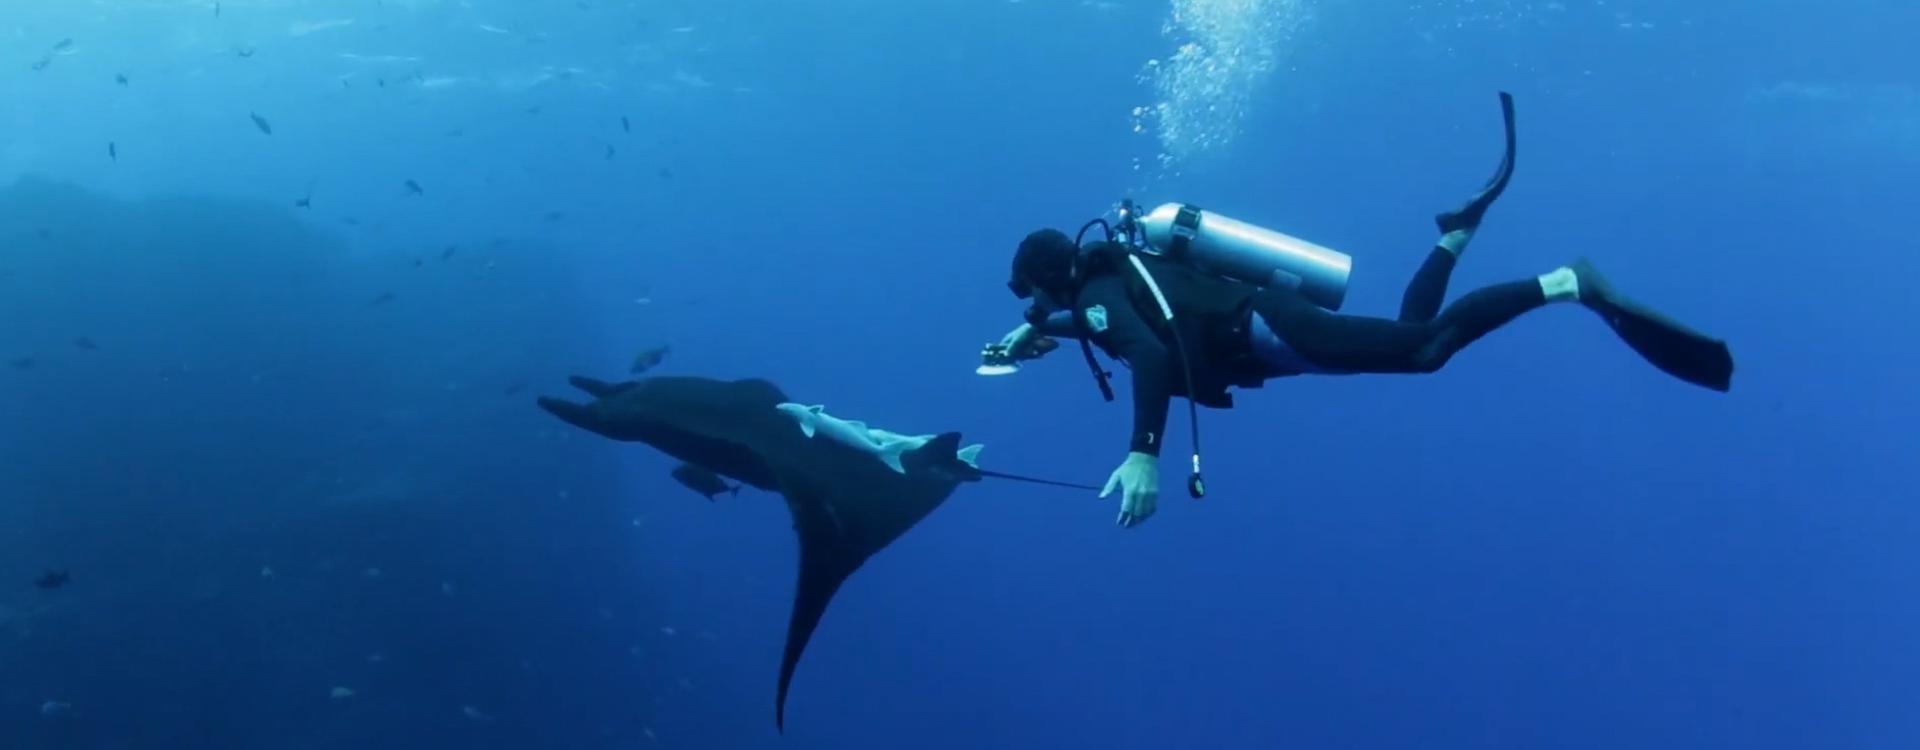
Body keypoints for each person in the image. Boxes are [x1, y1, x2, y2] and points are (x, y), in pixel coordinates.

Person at [992, 95, 1734, 530]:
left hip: (1265, 329)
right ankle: (1455, 232)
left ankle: (1567, 282)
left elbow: (1148, 353)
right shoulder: (1104, 286)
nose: (1036, 305)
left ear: (1049, 276)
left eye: (1031, 293)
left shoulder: (1096, 296)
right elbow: (1113, 328)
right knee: (1414, 339)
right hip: (1269, 338)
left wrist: (1144, 453)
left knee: (1424, 351)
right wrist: (1030, 330)